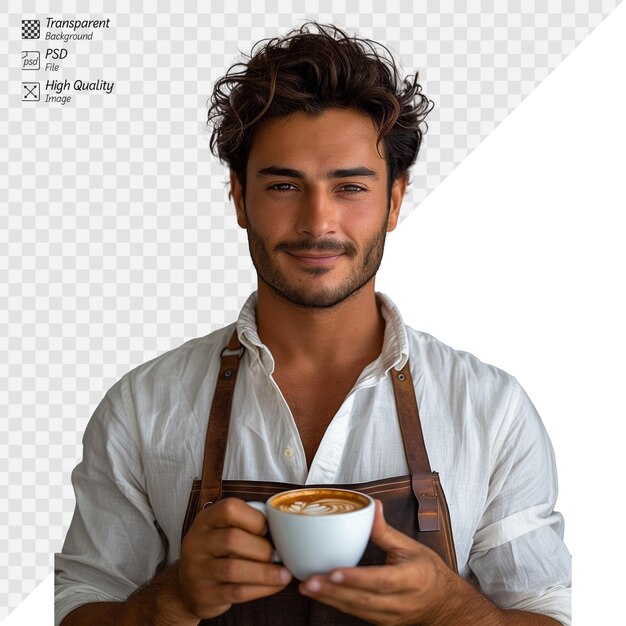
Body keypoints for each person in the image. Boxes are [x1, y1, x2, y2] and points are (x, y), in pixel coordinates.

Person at [55, 23, 571, 626]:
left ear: (395, 201)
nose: (317, 221)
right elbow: (80, 608)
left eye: (350, 186)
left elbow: (545, 613)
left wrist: (452, 608)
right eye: (282, 185)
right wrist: (170, 600)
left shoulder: (492, 409)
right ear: (240, 199)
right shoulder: (142, 407)